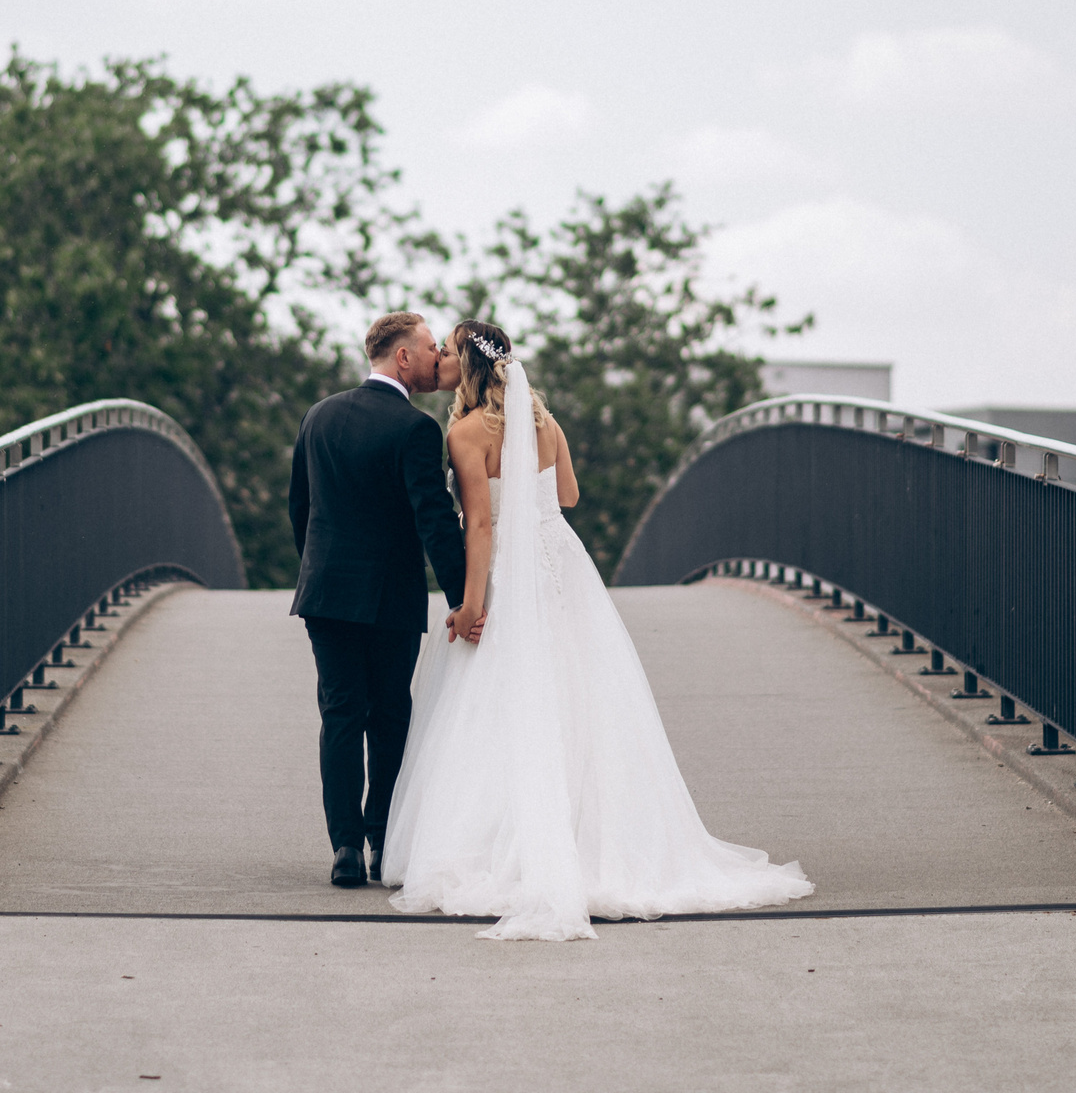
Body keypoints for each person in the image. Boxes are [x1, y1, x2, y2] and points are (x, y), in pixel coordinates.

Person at [381, 318, 815, 940]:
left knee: (506, 701)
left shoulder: (464, 431)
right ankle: (600, 839)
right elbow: (569, 494)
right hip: (561, 563)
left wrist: (471, 604)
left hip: (509, 565)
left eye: (448, 351)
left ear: (468, 367)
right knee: (577, 695)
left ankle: (507, 847)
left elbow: (478, 527)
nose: (441, 359)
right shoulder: (544, 423)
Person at [288, 312, 469, 888]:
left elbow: (300, 507)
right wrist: (465, 597)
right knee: (389, 717)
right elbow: (434, 521)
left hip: (325, 592)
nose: (437, 356)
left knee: (339, 714)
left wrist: (316, 571)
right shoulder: (415, 430)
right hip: (389, 596)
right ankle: (379, 838)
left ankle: (342, 845)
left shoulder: (318, 416)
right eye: (429, 347)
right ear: (403, 358)